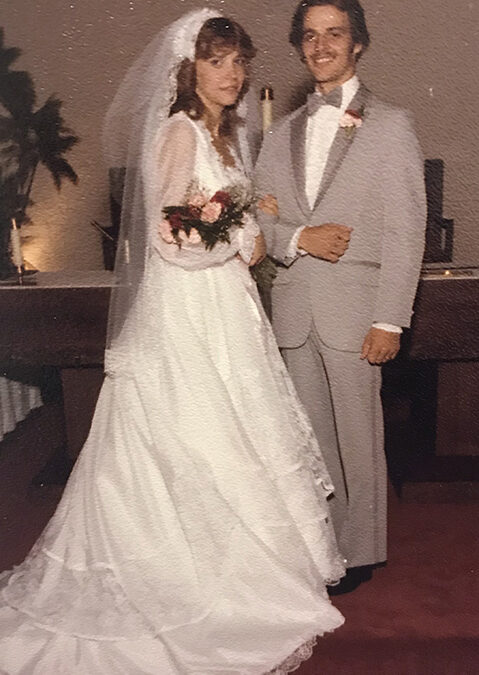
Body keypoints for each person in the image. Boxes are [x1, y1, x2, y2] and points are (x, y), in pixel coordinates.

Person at [0, 9, 345, 674]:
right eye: (216, 61)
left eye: (238, 61)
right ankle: (194, 581)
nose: (231, 73)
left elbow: (214, 223)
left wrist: (242, 229)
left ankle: (247, 569)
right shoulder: (180, 131)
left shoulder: (219, 136)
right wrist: (236, 231)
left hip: (225, 307)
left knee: (235, 430)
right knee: (191, 433)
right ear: (189, 69)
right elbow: (167, 234)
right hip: (188, 309)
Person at [255, 0, 426, 594]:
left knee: (358, 434)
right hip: (295, 310)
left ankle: (362, 552)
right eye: (310, 35)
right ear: (300, 46)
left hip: (358, 312)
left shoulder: (391, 124)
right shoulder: (277, 135)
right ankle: (324, 543)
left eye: (335, 34)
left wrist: (391, 319)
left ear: (359, 43)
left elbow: (408, 228)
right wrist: (299, 236)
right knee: (311, 438)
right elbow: (258, 224)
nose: (321, 45)